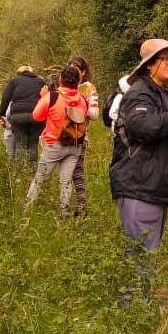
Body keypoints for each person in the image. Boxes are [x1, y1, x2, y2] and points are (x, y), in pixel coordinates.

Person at [110, 39, 168, 306]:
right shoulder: (139, 93)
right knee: (140, 257)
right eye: (165, 58)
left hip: (152, 187)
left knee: (146, 255)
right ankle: (131, 319)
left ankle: (139, 310)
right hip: (139, 187)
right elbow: (142, 126)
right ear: (149, 65)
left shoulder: (160, 95)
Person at [24, 65, 89, 218]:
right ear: (78, 81)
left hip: (54, 144)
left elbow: (36, 116)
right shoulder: (82, 99)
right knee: (66, 182)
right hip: (75, 145)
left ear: (60, 79)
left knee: (39, 180)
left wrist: (43, 97)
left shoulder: (52, 97)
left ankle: (27, 213)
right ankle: (63, 214)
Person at [67, 56, 99, 218]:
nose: (73, 69)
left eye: (76, 67)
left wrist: (81, 102)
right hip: (61, 136)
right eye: (70, 66)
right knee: (65, 174)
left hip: (79, 136)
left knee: (76, 173)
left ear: (84, 71)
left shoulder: (88, 88)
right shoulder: (64, 86)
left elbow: (94, 114)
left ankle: (81, 208)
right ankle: (67, 207)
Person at [0, 65, 45, 163]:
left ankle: (20, 175)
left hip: (18, 115)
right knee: (33, 144)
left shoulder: (15, 80)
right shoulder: (40, 81)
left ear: (19, 73)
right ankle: (32, 172)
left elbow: (5, 97)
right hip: (36, 115)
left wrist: (1, 114)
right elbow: (48, 97)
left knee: (20, 144)